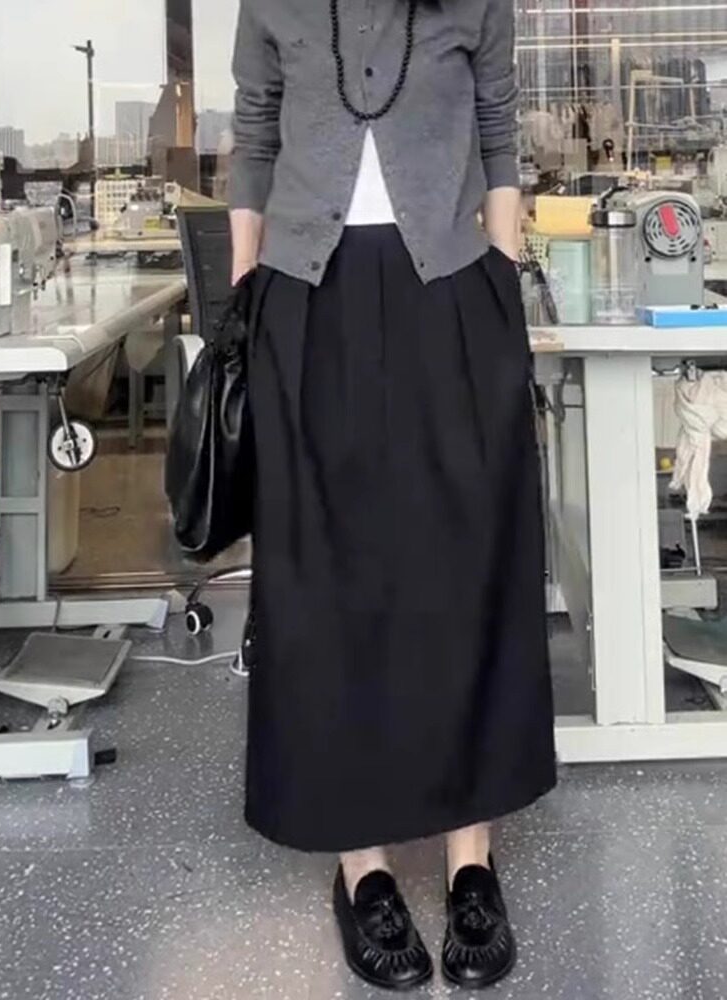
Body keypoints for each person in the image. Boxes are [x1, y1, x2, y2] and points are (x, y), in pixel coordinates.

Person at [229, 0, 556, 990]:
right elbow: (254, 136)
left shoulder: (475, 2)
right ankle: (361, 867)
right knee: (325, 576)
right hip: (304, 299)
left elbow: (497, 128)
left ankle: (471, 861)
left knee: (465, 564)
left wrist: (500, 274)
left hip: (451, 292)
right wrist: (244, 312)